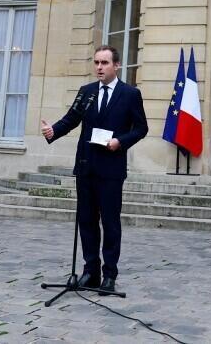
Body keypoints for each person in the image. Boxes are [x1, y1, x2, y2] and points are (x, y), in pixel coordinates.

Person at [41, 46, 148, 295]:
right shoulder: (87, 92)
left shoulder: (130, 94)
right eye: (97, 63)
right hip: (86, 166)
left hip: (111, 168)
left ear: (116, 65)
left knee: (110, 222)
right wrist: (53, 131)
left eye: (105, 63)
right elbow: (71, 119)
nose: (99, 67)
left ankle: (109, 274)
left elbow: (141, 128)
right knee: (87, 221)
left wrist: (120, 141)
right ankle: (91, 271)